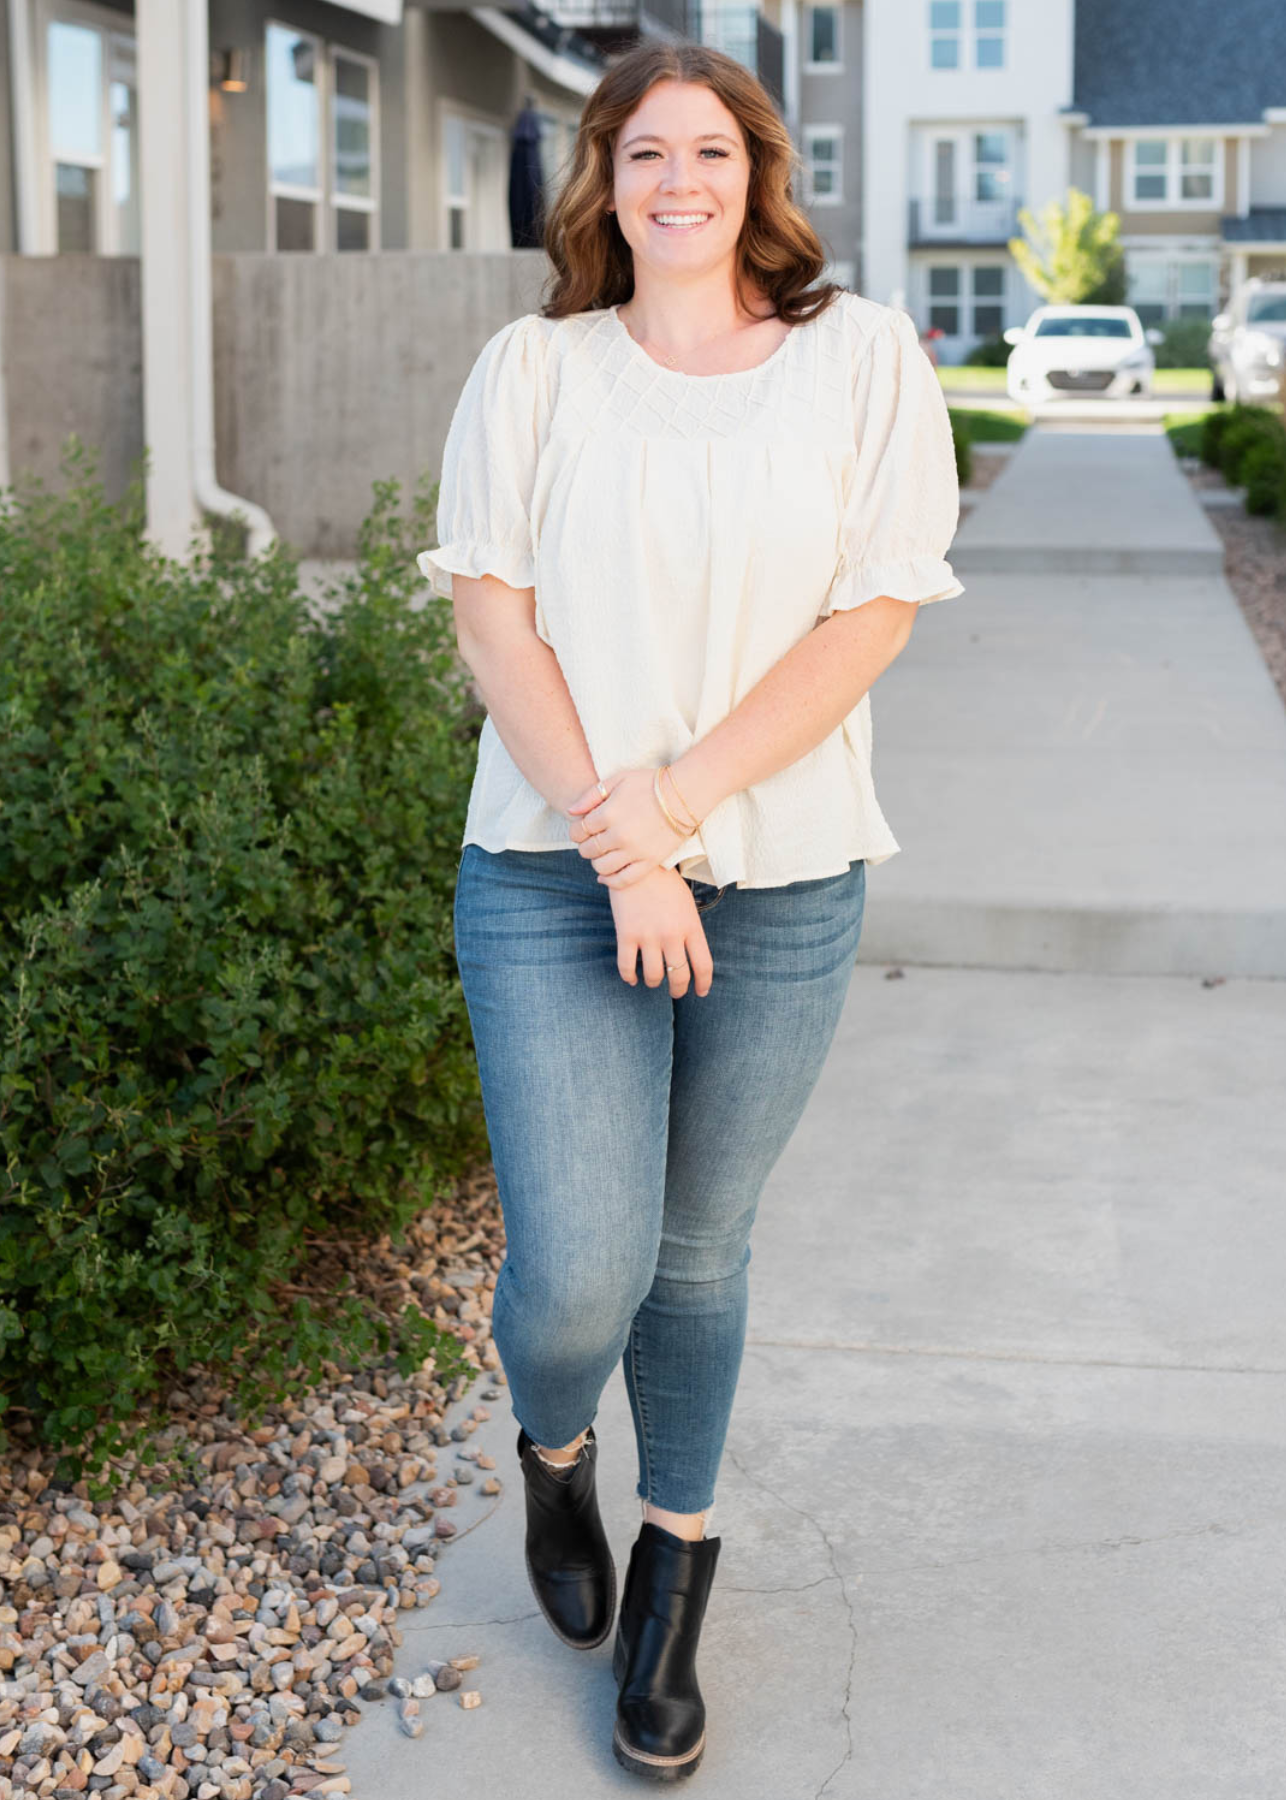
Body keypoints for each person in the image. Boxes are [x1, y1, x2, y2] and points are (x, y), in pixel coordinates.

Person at [417, 39, 963, 1783]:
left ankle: (673, 1570)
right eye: (642, 152)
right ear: (602, 179)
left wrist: (683, 806)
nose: (677, 181)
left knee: (702, 1250)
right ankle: (554, 1446)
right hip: (549, 874)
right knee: (580, 1271)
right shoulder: (535, 369)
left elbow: (866, 621)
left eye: (709, 153)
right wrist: (628, 848)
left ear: (756, 175)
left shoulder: (861, 359)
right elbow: (494, 617)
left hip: (786, 875)